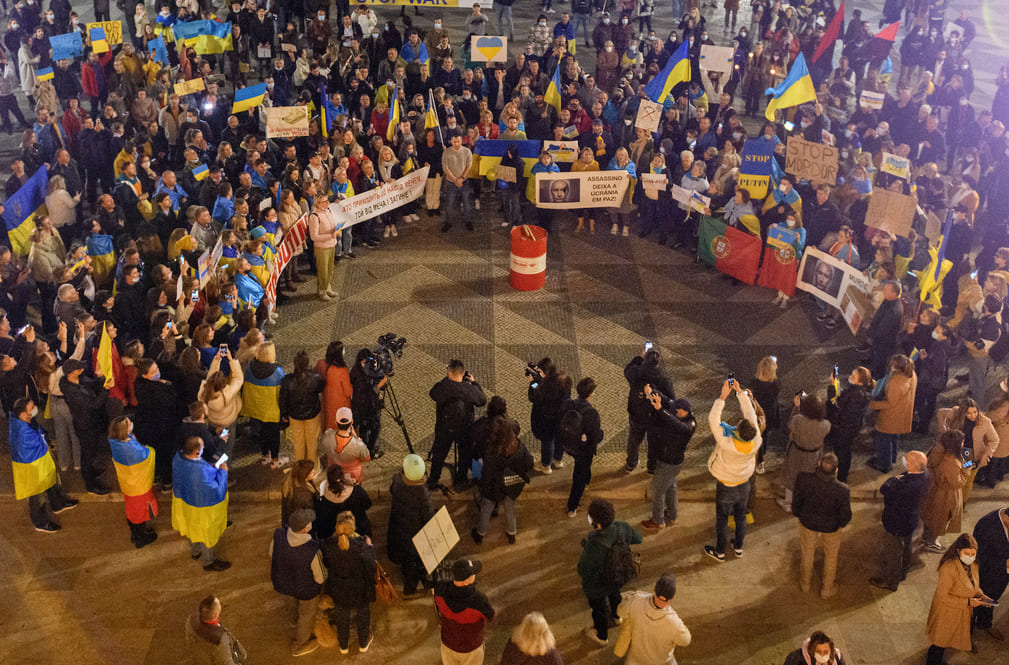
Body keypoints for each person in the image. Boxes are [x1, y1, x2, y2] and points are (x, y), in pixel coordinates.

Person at [704, 380, 760, 562]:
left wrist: (723, 397)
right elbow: (752, 416)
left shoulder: (727, 443)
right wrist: (740, 394)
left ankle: (720, 552)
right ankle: (738, 547)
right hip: (743, 483)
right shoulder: (755, 440)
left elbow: (713, 419)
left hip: (726, 484)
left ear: (737, 431)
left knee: (722, 519)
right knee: (740, 516)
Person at [578, 498, 643, 647]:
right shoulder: (622, 527)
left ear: (597, 524)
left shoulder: (594, 545)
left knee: (599, 610)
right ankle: (617, 616)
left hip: (598, 586)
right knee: (615, 595)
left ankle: (602, 635)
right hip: (617, 577)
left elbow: (582, 569)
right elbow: (638, 538)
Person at [8, 396, 77, 533]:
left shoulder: (25, 421)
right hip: (33, 467)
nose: (35, 410)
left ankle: (58, 503)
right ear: (23, 414)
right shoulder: (22, 432)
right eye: (31, 408)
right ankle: (40, 522)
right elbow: (31, 445)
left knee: (51, 481)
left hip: (42, 461)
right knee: (37, 495)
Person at [925, 533, 994, 665]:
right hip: (947, 611)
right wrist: (968, 602)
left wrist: (981, 595)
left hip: (959, 611)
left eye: (973, 554)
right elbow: (942, 596)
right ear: (958, 551)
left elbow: (973, 584)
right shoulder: (948, 568)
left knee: (946, 639)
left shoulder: (973, 564)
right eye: (967, 553)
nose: (971, 557)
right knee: (939, 642)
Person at [791, 453, 852, 598]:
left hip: (808, 522)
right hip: (831, 527)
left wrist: (799, 514)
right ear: (836, 470)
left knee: (807, 552)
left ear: (818, 464)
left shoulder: (804, 479)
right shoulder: (842, 489)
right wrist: (841, 524)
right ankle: (827, 588)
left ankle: (805, 584)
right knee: (831, 556)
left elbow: (797, 501)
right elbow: (845, 514)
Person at [870, 450, 930, 591]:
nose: (904, 461)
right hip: (910, 520)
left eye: (907, 460)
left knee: (894, 553)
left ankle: (891, 581)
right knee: (906, 547)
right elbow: (901, 477)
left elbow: (886, 489)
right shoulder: (924, 474)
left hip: (897, 523)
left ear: (914, 465)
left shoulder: (907, 487)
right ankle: (903, 571)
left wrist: (893, 480)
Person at [270, 508, 326, 657]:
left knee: (292, 600)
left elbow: (272, 555)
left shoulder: (279, 535)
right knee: (307, 614)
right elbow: (320, 577)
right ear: (305, 528)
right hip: (306, 589)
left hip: (285, 582)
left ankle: (293, 620)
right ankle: (300, 645)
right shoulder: (312, 549)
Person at [471, 413, 533, 545]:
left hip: (495, 487)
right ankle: (512, 532)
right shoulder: (520, 448)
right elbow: (530, 463)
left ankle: (480, 533)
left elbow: (487, 473)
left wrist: (484, 487)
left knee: (487, 508)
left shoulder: (492, 452)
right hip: (511, 485)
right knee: (509, 507)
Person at [172, 436, 230, 571]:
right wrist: (222, 472)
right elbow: (214, 490)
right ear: (196, 452)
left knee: (193, 527)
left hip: (185, 503)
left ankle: (195, 551)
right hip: (201, 508)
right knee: (206, 532)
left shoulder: (178, 458)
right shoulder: (199, 471)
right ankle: (208, 561)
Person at [322, 511, 377, 654]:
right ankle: (363, 643)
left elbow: (326, 563)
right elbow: (371, 566)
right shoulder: (362, 546)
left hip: (339, 588)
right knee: (363, 615)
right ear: (353, 528)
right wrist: (370, 546)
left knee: (342, 617)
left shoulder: (328, 545)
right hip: (360, 588)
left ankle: (343, 646)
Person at [428, 359, 487, 490]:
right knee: (464, 455)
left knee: (439, 454)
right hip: (465, 430)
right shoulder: (469, 389)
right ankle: (461, 480)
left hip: (444, 429)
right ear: (463, 373)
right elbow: (482, 400)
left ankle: (433, 480)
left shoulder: (443, 387)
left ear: (449, 372)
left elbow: (432, 393)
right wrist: (474, 383)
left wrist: (447, 379)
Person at [640, 395, 695, 532]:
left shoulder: (687, 426)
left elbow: (675, 423)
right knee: (671, 487)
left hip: (669, 462)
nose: (675, 413)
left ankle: (658, 521)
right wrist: (651, 392)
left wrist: (660, 410)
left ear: (684, 412)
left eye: (678, 411)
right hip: (673, 462)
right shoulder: (681, 415)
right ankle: (672, 515)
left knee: (658, 491)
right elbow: (667, 401)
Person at [613, 572, 691, 665]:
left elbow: (620, 612)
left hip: (635, 660)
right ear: (673, 597)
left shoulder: (636, 600)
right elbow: (685, 640)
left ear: (654, 588)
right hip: (662, 662)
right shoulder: (674, 622)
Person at [387, 454, 435, 598]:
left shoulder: (397, 481)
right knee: (413, 562)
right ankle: (410, 587)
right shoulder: (422, 493)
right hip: (415, 534)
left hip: (398, 528)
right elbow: (428, 517)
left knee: (406, 559)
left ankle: (411, 580)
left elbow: (392, 490)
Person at [936, 397, 1000, 504]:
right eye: (969, 413)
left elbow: (994, 439)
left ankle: (962, 503)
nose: (973, 415)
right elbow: (940, 413)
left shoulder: (985, 422)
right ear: (963, 412)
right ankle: (950, 502)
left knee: (966, 480)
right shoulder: (956, 412)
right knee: (953, 476)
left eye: (975, 412)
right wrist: (944, 432)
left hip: (970, 454)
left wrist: (986, 455)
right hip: (954, 450)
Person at [107, 415, 158, 548]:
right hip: (138, 486)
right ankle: (141, 538)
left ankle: (135, 534)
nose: (131, 424)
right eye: (129, 424)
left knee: (131, 510)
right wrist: (149, 449)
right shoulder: (131, 449)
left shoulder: (114, 442)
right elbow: (148, 455)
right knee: (139, 514)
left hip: (127, 484)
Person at [777, 393, 831, 513]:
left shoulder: (798, 420)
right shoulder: (826, 425)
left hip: (797, 453)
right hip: (814, 455)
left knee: (792, 477)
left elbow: (791, 425)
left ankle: (788, 504)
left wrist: (796, 408)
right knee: (809, 478)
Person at [623, 346, 675, 474]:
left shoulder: (636, 373)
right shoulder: (664, 379)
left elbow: (627, 369)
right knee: (654, 443)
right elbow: (672, 401)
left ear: (645, 358)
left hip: (637, 414)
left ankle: (631, 463)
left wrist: (639, 358)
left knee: (634, 441)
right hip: (655, 418)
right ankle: (651, 467)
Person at [434, 558, 495, 665]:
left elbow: (438, 606)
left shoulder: (440, 590)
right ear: (468, 580)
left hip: (448, 643)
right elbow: (490, 616)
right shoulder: (479, 601)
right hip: (471, 648)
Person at [920, 430, 970, 552]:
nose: (964, 443)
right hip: (946, 496)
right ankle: (931, 542)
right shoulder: (951, 461)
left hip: (935, 491)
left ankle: (927, 537)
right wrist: (968, 470)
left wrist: (966, 464)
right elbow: (956, 482)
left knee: (931, 515)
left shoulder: (939, 453)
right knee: (940, 519)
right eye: (962, 441)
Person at [868, 354, 917, 474]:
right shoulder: (911, 374)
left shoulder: (896, 382)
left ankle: (884, 464)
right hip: (902, 414)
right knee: (893, 438)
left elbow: (890, 403)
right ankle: (892, 458)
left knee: (884, 440)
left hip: (891, 416)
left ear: (895, 367)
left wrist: (873, 404)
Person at [563, 377, 604, 518]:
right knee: (579, 477)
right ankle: (572, 506)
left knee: (583, 470)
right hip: (583, 450)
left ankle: (586, 480)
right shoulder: (591, 413)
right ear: (590, 394)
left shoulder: (569, 404)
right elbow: (596, 435)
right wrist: (601, 434)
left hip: (569, 444)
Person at [827, 366, 873, 483]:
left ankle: (841, 478)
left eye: (853, 376)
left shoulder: (853, 394)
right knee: (845, 451)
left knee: (842, 453)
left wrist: (832, 387)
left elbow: (835, 406)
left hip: (843, 428)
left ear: (860, 382)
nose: (850, 377)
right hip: (852, 428)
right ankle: (842, 475)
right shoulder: (860, 393)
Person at [279, 350, 324, 463]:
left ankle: (299, 467)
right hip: (312, 414)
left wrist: (284, 414)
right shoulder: (315, 377)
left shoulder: (287, 380)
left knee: (298, 443)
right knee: (312, 442)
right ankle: (312, 467)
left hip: (294, 415)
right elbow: (321, 388)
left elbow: (283, 399)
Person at [527, 357, 570, 474]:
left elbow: (534, 397)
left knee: (548, 440)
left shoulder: (545, 385)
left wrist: (533, 383)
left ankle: (546, 465)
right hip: (561, 415)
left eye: (541, 372)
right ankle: (558, 460)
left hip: (546, 417)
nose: (540, 373)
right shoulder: (564, 379)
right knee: (559, 438)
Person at [972, 507, 1009, 641]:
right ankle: (966, 635)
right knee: (974, 606)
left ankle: (985, 623)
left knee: (992, 599)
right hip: (984, 575)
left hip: (1002, 576)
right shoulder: (986, 525)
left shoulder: (1007, 522)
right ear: (1006, 518)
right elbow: (979, 557)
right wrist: (1004, 563)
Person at [320, 407, 371, 484]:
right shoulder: (358, 444)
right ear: (352, 422)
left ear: (336, 422)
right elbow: (366, 457)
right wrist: (356, 438)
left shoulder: (327, 435)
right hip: (353, 477)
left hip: (334, 475)